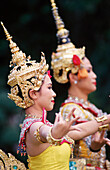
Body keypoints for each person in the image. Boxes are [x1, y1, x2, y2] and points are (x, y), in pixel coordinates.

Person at [1, 22, 110, 170]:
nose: (54, 93)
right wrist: (54, 134)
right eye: (49, 87)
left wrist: (105, 120)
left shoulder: (46, 125)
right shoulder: (33, 128)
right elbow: (46, 134)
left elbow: (79, 131)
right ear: (33, 94)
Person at [50, 0, 110, 169]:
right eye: (89, 70)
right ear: (73, 77)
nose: (94, 75)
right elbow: (70, 153)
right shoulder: (70, 110)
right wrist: (94, 148)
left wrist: (96, 148)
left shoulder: (90, 108)